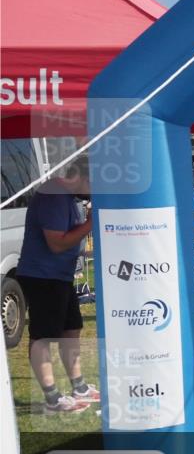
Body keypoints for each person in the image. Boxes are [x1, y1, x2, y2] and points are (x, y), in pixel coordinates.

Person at [17, 159, 100, 414]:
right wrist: (90, 224)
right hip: (42, 276)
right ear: (82, 178)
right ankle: (52, 398)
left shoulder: (67, 198)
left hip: (59, 276)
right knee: (43, 335)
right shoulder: (53, 194)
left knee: (71, 328)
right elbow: (56, 243)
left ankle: (79, 387)